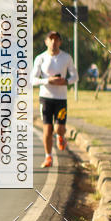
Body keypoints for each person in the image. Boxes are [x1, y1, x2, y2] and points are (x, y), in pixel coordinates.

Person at [32, 31, 78, 168]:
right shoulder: (40, 58)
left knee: (59, 128)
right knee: (47, 129)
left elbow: (75, 77)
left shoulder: (66, 57)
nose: (53, 42)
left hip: (61, 98)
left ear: (60, 42)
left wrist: (65, 82)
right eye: (51, 39)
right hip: (45, 98)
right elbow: (32, 80)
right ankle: (48, 157)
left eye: (56, 40)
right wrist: (47, 81)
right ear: (46, 42)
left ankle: (61, 137)